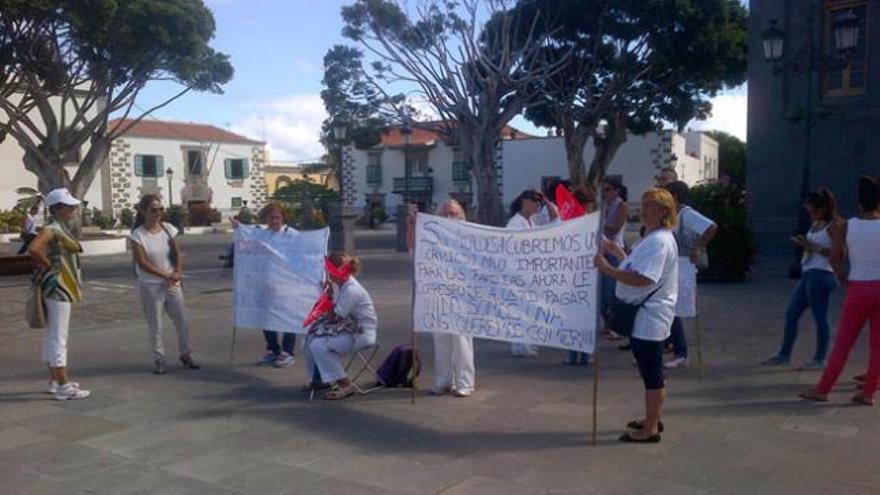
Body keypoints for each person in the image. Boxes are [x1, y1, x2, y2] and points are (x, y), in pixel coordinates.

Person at [595, 188, 678, 443]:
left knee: (651, 372)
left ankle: (650, 428)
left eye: (649, 205)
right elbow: (635, 265)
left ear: (663, 211)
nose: (642, 210)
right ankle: (652, 417)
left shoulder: (659, 240)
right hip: (647, 316)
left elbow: (643, 278)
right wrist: (617, 254)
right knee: (648, 370)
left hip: (649, 316)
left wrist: (608, 269)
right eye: (642, 204)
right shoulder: (652, 237)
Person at [800, 176, 880, 405]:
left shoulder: (848, 226)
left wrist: (843, 276)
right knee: (877, 345)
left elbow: (836, 256)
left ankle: (824, 388)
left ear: (859, 203)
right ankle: (868, 393)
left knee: (844, 342)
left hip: (858, 286)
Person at [762, 189, 840, 370]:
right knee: (792, 313)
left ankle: (820, 358)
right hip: (809, 271)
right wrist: (805, 245)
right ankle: (784, 354)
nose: (811, 214)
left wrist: (812, 247)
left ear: (823, 208)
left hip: (823, 273)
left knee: (820, 317)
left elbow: (839, 253)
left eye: (814, 210)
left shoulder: (835, 225)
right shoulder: (817, 222)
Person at [27, 188, 89, 400]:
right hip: (58, 287)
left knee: (53, 334)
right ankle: (63, 384)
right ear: (58, 209)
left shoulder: (58, 227)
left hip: (58, 286)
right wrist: (49, 266)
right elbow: (34, 248)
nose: (73, 209)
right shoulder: (53, 228)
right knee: (59, 336)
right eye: (69, 206)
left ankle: (55, 380)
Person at [130, 195, 199, 374]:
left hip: (172, 282)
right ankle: (159, 358)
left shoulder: (167, 229)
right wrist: (165, 275)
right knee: (156, 324)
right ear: (143, 212)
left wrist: (177, 272)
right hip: (151, 285)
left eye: (160, 209)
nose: (158, 213)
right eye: (153, 210)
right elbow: (142, 262)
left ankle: (186, 353)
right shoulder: (138, 235)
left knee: (182, 320)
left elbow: (177, 252)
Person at [304, 252, 378, 400]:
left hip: (361, 334)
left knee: (318, 345)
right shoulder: (341, 285)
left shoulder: (351, 290)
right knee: (308, 340)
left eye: (328, 270)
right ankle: (319, 379)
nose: (326, 273)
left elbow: (334, 318)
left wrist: (328, 297)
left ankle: (345, 384)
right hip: (348, 329)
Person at [663, 181, 718, 369]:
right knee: (668, 308)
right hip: (671, 265)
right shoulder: (672, 215)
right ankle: (672, 348)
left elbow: (711, 227)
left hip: (683, 265)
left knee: (674, 309)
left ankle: (681, 352)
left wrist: (698, 247)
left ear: (675, 196)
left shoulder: (687, 214)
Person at [235, 203, 298, 367]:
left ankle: (288, 351)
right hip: (265, 283)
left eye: (277, 217)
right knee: (266, 317)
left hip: (286, 284)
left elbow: (304, 254)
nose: (274, 221)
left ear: (283, 218)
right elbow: (248, 242)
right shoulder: (263, 235)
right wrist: (239, 228)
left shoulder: (292, 235)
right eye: (271, 218)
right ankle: (273, 349)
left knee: (287, 317)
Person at [429, 199, 476, 397]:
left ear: (461, 216)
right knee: (440, 340)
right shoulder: (432, 236)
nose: (449, 217)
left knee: (461, 340)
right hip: (438, 295)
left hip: (462, 295)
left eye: (453, 213)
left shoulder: (469, 235)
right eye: (445, 214)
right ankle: (443, 380)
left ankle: (465, 382)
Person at [507, 189, 556, 356]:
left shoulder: (533, 221)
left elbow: (555, 219)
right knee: (521, 310)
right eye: (534, 201)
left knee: (530, 310)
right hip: (519, 271)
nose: (537, 205)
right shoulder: (515, 223)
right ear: (524, 201)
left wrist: (547, 200)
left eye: (539, 202)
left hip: (532, 271)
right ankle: (520, 346)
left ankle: (528, 342)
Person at [600, 177, 630, 342]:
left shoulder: (621, 206)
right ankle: (608, 324)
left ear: (616, 191)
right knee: (604, 289)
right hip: (605, 249)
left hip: (614, 250)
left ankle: (616, 326)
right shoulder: (606, 206)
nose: (605, 193)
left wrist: (600, 222)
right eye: (604, 190)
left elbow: (615, 229)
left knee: (610, 290)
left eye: (608, 189)